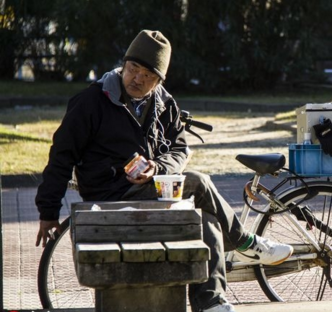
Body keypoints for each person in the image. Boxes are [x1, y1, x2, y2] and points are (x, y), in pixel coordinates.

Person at [35, 30, 293, 312]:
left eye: (148, 75)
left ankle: (211, 303)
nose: (138, 79)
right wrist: (48, 212)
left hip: (151, 192)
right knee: (198, 181)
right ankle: (245, 241)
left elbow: (181, 149)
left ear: (159, 80)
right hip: (109, 197)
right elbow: (61, 157)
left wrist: (158, 169)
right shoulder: (90, 102)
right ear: (124, 64)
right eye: (133, 69)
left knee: (206, 217)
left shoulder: (164, 103)